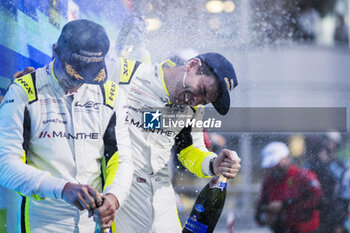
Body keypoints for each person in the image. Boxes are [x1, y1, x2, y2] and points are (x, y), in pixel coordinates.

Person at [0, 19, 133, 232]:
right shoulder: (23, 91)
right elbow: (5, 164)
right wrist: (63, 189)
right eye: (74, 72)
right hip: (42, 224)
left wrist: (114, 197)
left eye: (88, 75)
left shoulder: (111, 94)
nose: (78, 82)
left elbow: (121, 158)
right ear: (55, 51)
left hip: (95, 225)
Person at [108, 52, 241, 233]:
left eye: (204, 101)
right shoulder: (129, 74)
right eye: (202, 90)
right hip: (121, 192)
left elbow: (190, 150)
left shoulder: (194, 108)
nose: (196, 101)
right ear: (192, 65)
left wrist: (213, 164)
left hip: (162, 197)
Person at [255, 141, 322, 233]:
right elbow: (261, 209)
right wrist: (265, 216)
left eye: (277, 164)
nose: (274, 169)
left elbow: (317, 200)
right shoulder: (268, 182)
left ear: (287, 158)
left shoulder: (304, 177)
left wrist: (284, 205)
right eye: (271, 166)